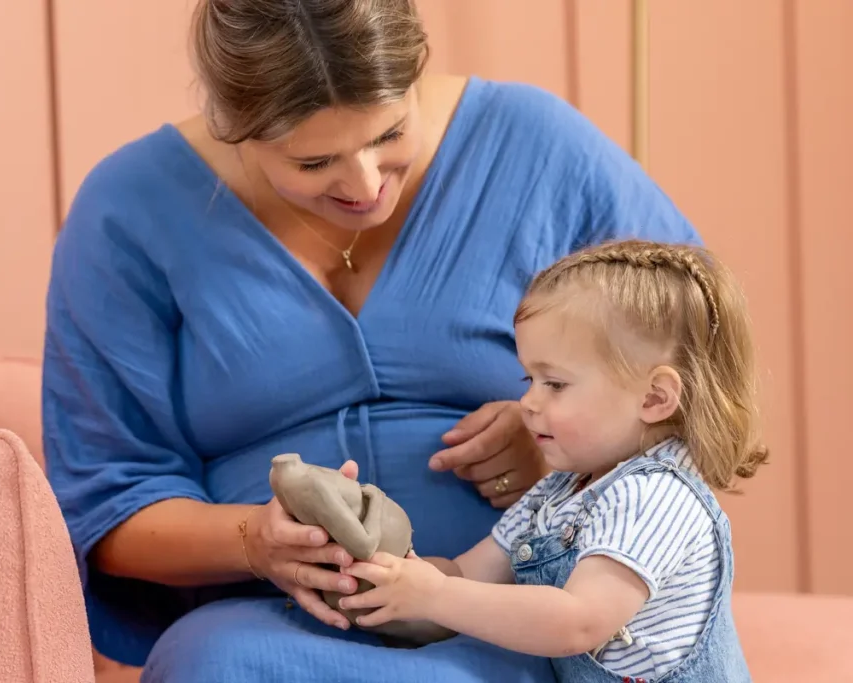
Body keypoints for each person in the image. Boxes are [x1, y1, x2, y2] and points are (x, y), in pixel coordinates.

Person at [41, 0, 702, 680]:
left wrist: (571, 449)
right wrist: (255, 541)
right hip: (268, 628)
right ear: (233, 126)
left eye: (390, 133)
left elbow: (697, 378)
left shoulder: (539, 148)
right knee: (211, 662)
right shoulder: (128, 209)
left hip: (522, 614)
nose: (364, 185)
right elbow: (106, 506)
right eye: (314, 160)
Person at [338, 239, 765, 682]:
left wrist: (436, 596)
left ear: (654, 398)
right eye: (530, 379)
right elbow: (467, 574)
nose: (527, 401)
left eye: (555, 384)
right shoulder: (557, 492)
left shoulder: (656, 497)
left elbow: (577, 621)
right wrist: (385, 574)